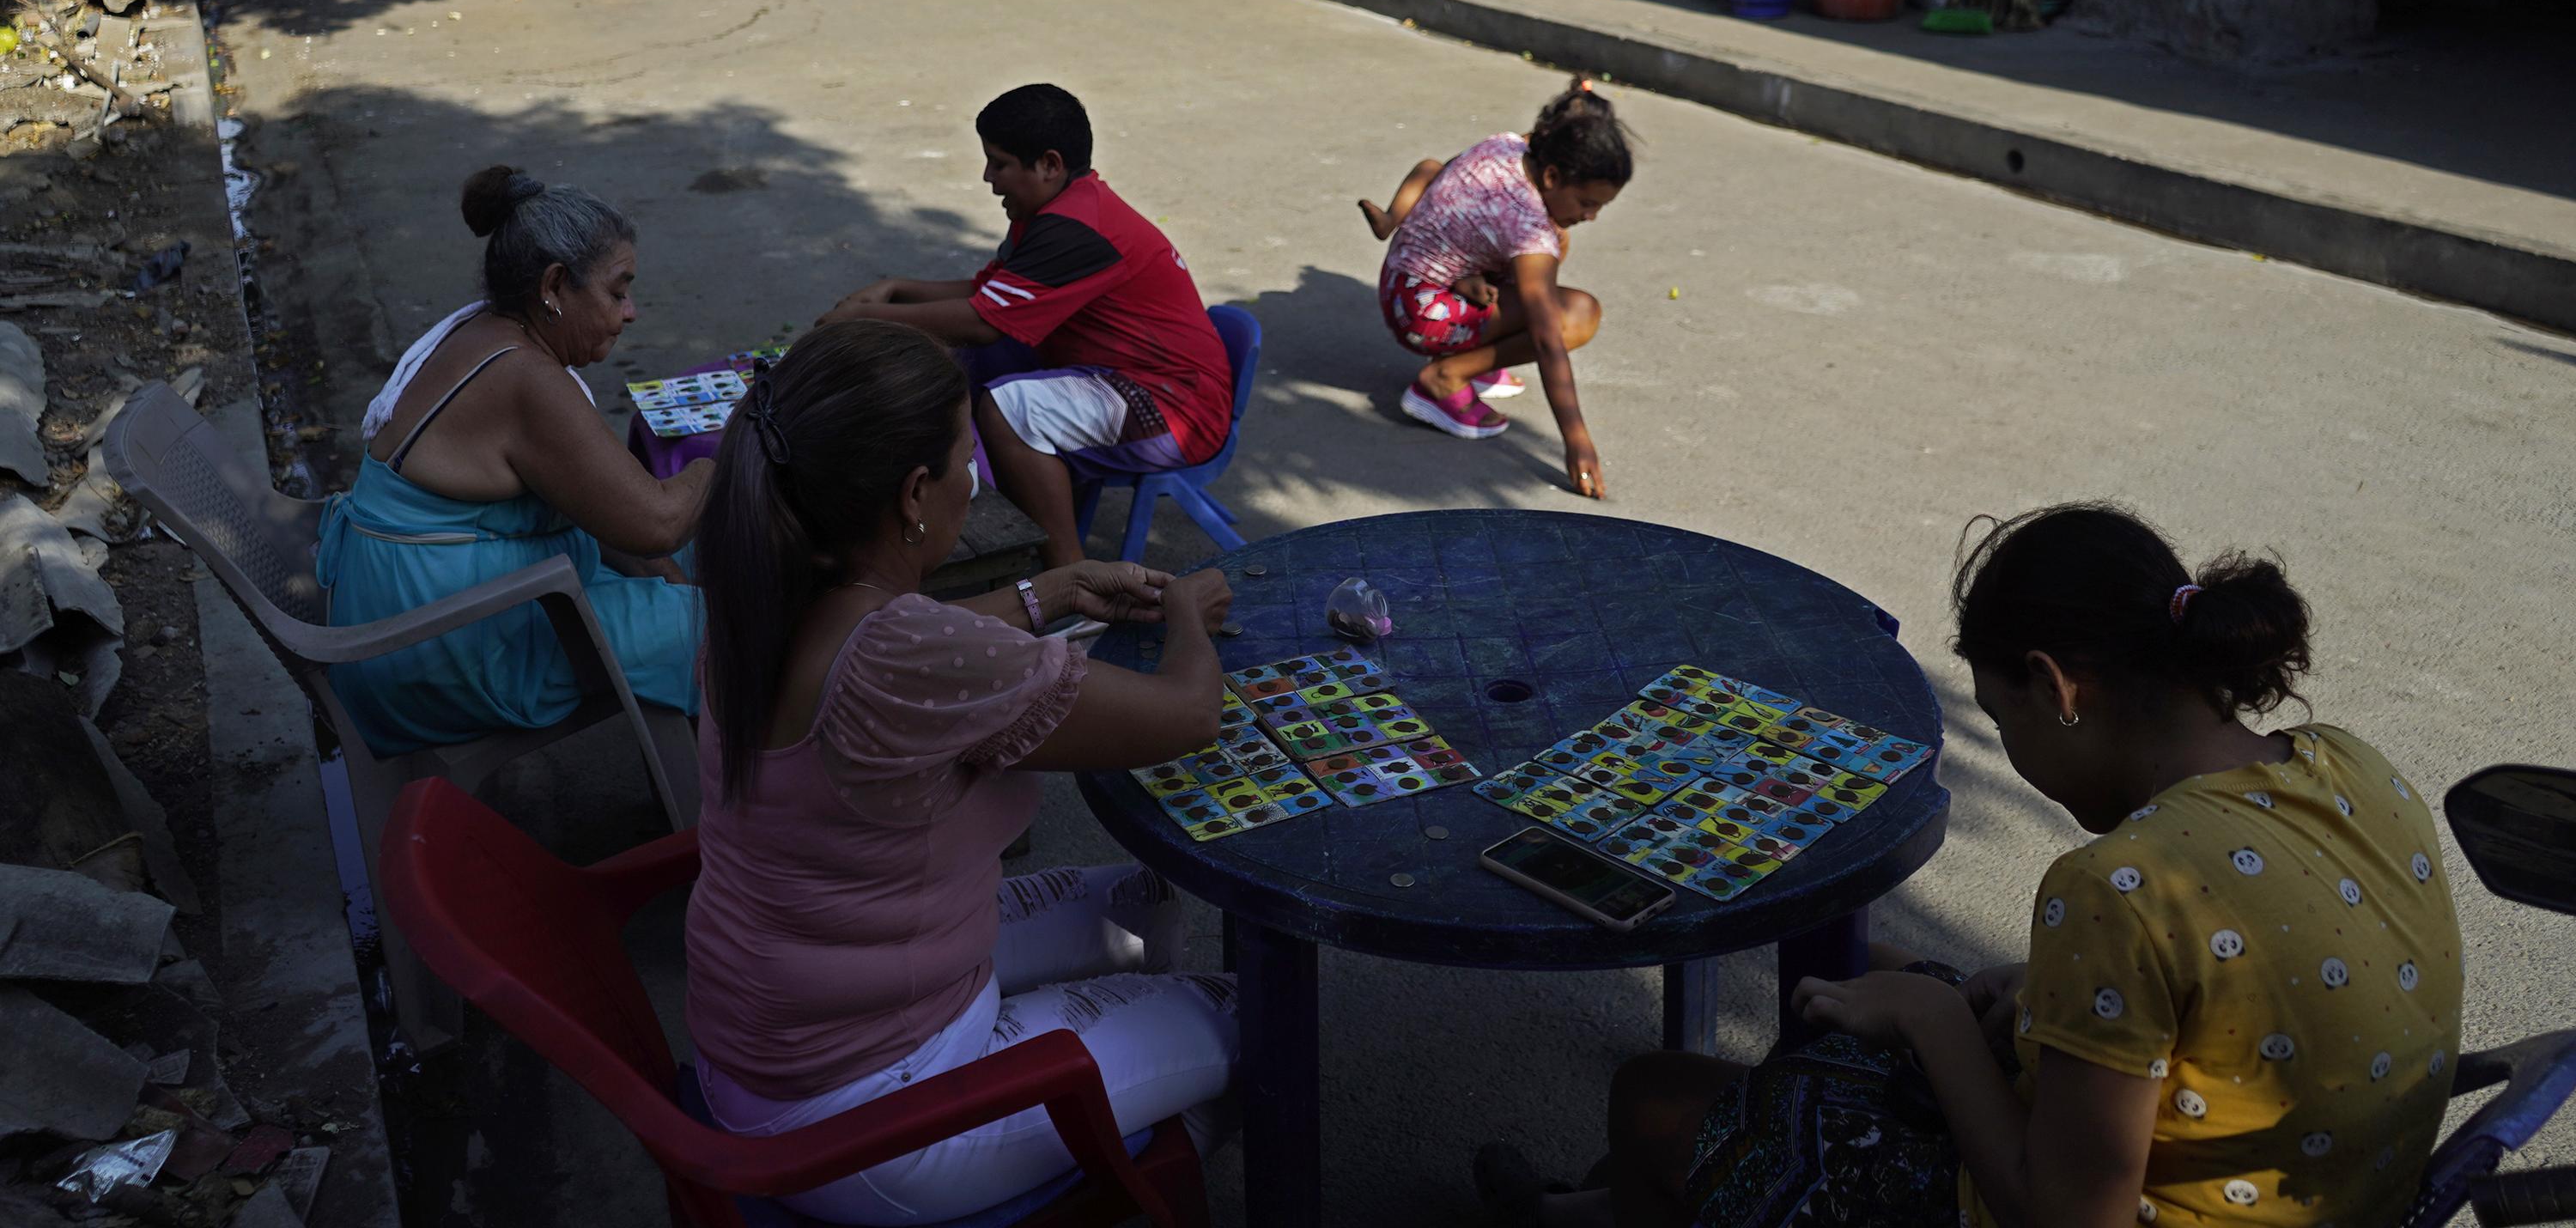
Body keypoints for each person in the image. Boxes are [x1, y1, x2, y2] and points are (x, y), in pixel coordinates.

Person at [1473, 502, 2464, 1228]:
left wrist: (1937, 1020)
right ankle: (1611, 1202)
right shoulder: (2347, 762)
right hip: (2327, 1189)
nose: (2016, 755)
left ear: (2055, 684)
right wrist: (2031, 991)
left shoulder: (2121, 886)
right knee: (1871, 971)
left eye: (2002, 719)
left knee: (1654, 1094)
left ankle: (1618, 1199)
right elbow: (2257, 969)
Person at [684, 318, 1238, 1223]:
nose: (975, 477)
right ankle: (1134, 1182)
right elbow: (1189, 714)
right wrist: (1185, 607)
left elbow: (915, 652)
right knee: (1237, 1013)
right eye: (962, 459)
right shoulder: (905, 651)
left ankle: (1134, 1089)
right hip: (864, 1122)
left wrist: (1045, 592)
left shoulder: (762, 586)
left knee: (1147, 901)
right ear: (913, 492)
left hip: (772, 1044)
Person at [317, 167, 707, 757]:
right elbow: (657, 523)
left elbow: (610, 513)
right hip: (436, 650)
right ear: (554, 285)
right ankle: (762, 809)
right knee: (733, 627)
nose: (630, 313)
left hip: (421, 612)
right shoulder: (525, 378)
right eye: (617, 291)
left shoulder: (485, 330)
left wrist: (660, 567)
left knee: (723, 551)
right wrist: (726, 454)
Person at [819, 83, 1233, 568]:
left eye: (999, 163)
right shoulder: (1052, 209)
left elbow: (981, 321)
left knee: (1011, 409)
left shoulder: (1076, 228)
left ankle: (1071, 581)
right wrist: (896, 287)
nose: (987, 177)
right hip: (1130, 383)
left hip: (1175, 407)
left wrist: (863, 317)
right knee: (957, 361)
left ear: (1050, 165)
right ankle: (950, 494)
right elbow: (986, 296)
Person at [1367, 79, 1630, 498]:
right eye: (1586, 202)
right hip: (1422, 312)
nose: (1592, 215)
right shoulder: (1528, 228)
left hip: (1404, 281)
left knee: (1557, 242)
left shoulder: (1509, 145)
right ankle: (1445, 377)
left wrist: (1458, 270)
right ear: (1552, 174)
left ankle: (1470, 351)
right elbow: (1547, 340)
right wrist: (1577, 440)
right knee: (1578, 314)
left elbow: (1445, 178)